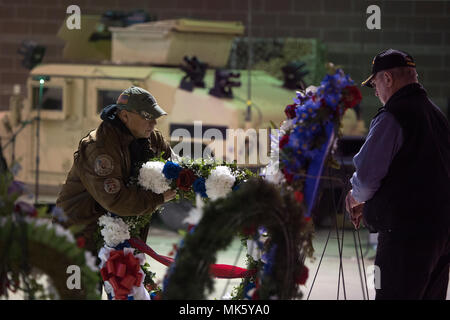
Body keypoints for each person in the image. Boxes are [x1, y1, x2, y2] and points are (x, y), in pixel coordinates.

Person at [345, 49, 450, 300]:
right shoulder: (437, 116)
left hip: (405, 238)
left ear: (387, 79)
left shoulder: (393, 115)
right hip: (442, 236)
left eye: (375, 85)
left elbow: (368, 178)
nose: (377, 92)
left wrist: (355, 196)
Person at [56, 86, 177, 254]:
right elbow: (116, 200)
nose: (154, 123)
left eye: (155, 116)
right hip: (79, 238)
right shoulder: (99, 148)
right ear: (124, 116)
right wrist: (158, 198)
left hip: (117, 237)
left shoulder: (151, 138)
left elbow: (175, 166)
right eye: (147, 116)